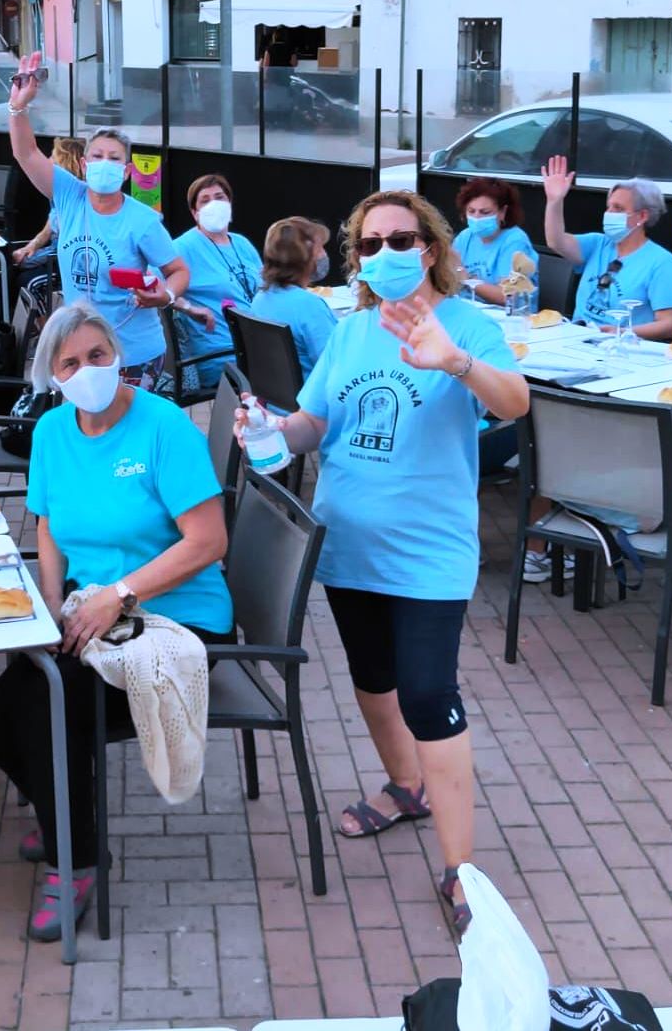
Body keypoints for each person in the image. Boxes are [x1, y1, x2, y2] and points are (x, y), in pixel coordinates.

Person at [240, 189, 529, 934]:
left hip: (431, 551)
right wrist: (271, 434)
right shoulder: (352, 329)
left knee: (429, 694)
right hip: (349, 544)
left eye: (401, 239)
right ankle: (407, 785)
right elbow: (314, 421)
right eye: (370, 244)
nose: (385, 254)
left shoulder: (468, 324)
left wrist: (457, 362)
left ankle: (461, 872)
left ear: (429, 247)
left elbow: (516, 404)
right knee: (374, 679)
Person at [0, 302, 233, 941]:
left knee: (47, 709)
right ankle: (63, 813)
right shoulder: (55, 433)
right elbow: (50, 526)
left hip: (176, 620)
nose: (88, 370)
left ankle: (76, 858)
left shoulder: (164, 427)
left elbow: (208, 541)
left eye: (97, 355)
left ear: (118, 356)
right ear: (53, 378)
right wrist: (50, 608)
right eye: (71, 363)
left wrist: (118, 593)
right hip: (92, 617)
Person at [8, 52, 190, 389]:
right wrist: (19, 107)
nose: (104, 163)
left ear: (126, 171)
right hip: (79, 347)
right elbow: (26, 153)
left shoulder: (142, 221)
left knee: (123, 434)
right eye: (97, 156)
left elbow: (178, 271)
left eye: (114, 158)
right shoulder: (68, 194)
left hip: (133, 350)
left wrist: (164, 295)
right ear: (83, 164)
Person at [541, 157, 672, 337]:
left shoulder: (662, 262)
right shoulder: (597, 244)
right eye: (608, 207)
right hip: (577, 339)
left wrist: (622, 332)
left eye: (618, 208)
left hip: (623, 349)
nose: (609, 213)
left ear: (642, 216)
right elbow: (555, 241)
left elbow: (669, 325)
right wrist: (554, 201)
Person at [170, 174, 261, 390]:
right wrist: (189, 308)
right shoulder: (183, 247)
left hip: (257, 346)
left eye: (220, 197)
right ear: (195, 213)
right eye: (205, 200)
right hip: (223, 353)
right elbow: (153, 286)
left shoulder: (242, 243)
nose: (214, 204)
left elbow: (264, 287)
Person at [249, 217, 340, 384]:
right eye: (320, 249)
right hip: (312, 405)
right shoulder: (309, 306)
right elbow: (336, 367)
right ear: (304, 257)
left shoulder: (260, 299)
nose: (323, 255)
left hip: (277, 402)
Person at [451, 177, 536, 306]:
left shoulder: (515, 241)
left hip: (509, 317)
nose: (477, 218)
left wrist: (466, 279)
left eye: (485, 212)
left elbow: (508, 297)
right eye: (471, 211)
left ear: (503, 212)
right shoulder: (465, 237)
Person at [9, 137, 85, 269]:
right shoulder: (56, 195)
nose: (48, 160)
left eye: (53, 156)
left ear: (65, 162)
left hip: (65, 253)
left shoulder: (80, 197)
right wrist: (30, 247)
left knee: (17, 264)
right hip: (53, 249)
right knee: (14, 259)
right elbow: (46, 231)